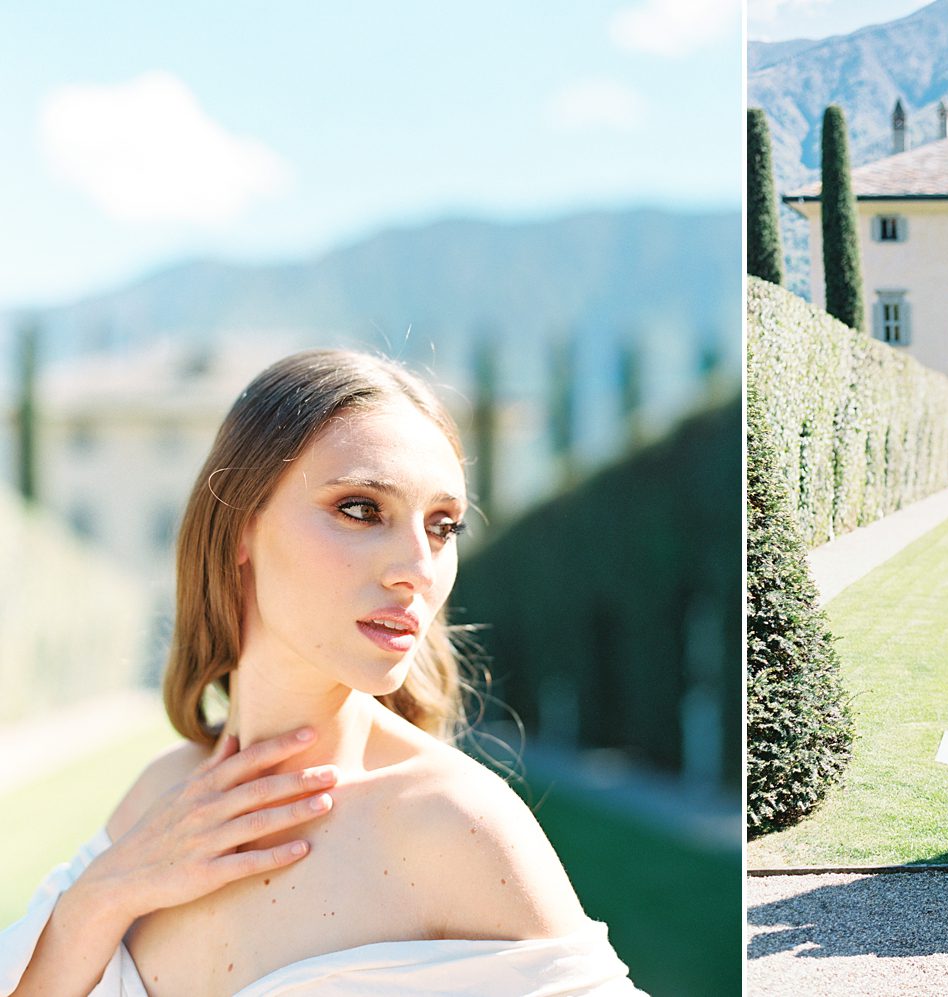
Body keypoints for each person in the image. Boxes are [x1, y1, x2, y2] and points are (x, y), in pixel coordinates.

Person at [0, 349, 643, 995]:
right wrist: (99, 898)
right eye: (361, 508)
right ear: (238, 529)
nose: (418, 568)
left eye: (442, 526)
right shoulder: (161, 799)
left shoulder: (453, 825)